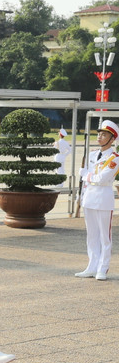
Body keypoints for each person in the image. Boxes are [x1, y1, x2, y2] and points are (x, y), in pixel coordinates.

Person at [76, 119, 119, 281]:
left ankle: (102, 268)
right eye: (99, 134)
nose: (100, 137)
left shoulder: (115, 158)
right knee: (91, 235)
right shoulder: (92, 154)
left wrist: (85, 175)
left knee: (104, 237)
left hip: (103, 199)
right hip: (89, 199)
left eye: (104, 135)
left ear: (112, 139)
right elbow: (91, 178)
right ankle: (91, 266)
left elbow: (101, 179)